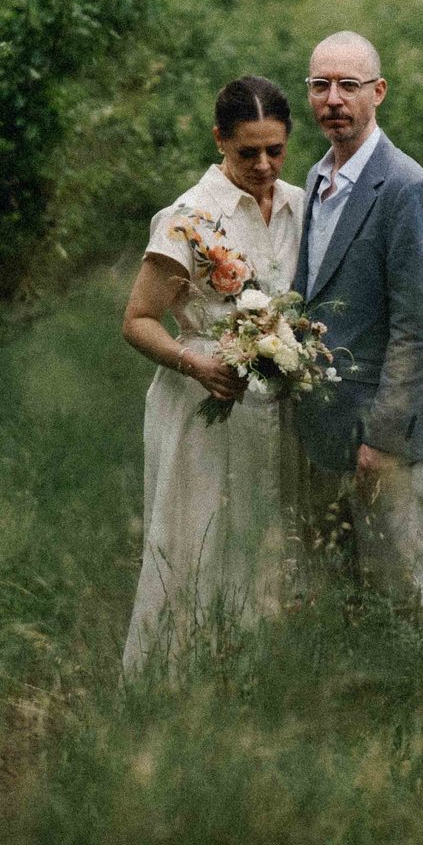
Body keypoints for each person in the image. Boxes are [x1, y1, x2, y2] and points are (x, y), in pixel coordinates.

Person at [117, 75, 306, 674]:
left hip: (279, 398)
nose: (263, 165)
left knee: (271, 533)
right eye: (247, 151)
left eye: (274, 150)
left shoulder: (304, 205)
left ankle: (261, 679)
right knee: (198, 536)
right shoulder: (189, 218)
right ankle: (176, 683)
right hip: (201, 397)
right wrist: (194, 363)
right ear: (219, 140)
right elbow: (138, 320)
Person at [289, 30, 423, 611]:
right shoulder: (314, 181)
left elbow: (416, 328)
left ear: (377, 92)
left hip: (387, 440)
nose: (333, 98)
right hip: (324, 435)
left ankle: (421, 705)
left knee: (397, 602)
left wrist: (380, 441)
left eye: (348, 85)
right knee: (334, 602)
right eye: (320, 85)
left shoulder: (406, 188)